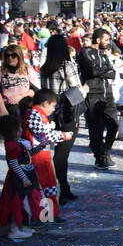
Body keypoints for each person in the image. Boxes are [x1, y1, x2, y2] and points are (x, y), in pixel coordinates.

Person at [38, 35, 82, 203]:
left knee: (56, 152)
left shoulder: (44, 67)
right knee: (62, 153)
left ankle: (61, 188)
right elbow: (76, 89)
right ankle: (61, 189)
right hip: (66, 113)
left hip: (48, 113)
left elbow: (43, 91)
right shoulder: (67, 65)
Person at [23, 89, 69, 226]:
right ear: (45, 103)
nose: (53, 109)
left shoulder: (39, 114)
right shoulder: (33, 114)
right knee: (42, 186)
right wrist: (63, 135)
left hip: (43, 154)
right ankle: (41, 216)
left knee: (50, 185)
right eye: (53, 106)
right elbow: (45, 135)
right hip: (37, 156)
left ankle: (51, 214)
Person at [76, 29, 119, 170]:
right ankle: (99, 157)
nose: (109, 42)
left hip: (108, 94)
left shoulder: (103, 54)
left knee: (114, 125)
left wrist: (103, 72)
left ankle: (104, 150)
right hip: (93, 94)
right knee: (96, 129)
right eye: (106, 39)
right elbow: (92, 71)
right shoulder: (85, 52)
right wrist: (104, 71)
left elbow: (113, 73)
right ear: (98, 40)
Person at [0, 113, 37, 241]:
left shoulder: (14, 143)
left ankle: (20, 227)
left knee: (22, 204)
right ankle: (14, 230)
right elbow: (14, 164)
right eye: (18, 129)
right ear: (12, 131)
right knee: (16, 205)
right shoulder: (12, 145)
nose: (21, 130)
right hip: (18, 181)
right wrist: (24, 178)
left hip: (20, 179)